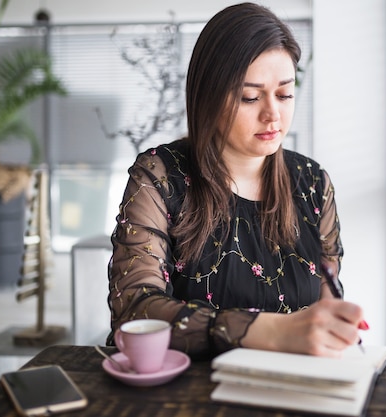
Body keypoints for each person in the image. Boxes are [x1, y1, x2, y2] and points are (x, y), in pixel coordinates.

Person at [107, 2, 367, 360]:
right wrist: (269, 331)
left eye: (285, 94)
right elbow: (133, 310)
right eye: (250, 96)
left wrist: (336, 330)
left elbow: (327, 298)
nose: (272, 114)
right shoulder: (160, 176)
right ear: (209, 97)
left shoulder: (312, 184)